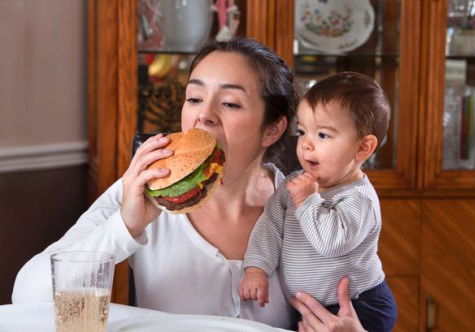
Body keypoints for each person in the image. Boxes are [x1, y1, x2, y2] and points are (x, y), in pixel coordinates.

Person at [12, 37, 368, 332]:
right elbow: (28, 298)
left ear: (273, 129)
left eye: (229, 103)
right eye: (194, 98)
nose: (203, 115)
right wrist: (126, 225)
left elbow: (356, 299)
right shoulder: (140, 189)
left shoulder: (310, 205)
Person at [239, 72, 398, 332]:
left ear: (363, 148)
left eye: (323, 135)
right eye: (302, 131)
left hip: (358, 306)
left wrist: (308, 200)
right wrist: (256, 268)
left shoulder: (359, 198)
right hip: (307, 305)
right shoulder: (295, 183)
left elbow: (332, 243)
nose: (306, 145)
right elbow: (269, 226)